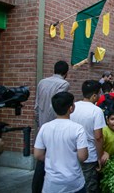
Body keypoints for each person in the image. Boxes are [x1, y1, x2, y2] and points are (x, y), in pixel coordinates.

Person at [34, 92, 88, 193]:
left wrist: (53, 158)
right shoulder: (78, 129)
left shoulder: (45, 127)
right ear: (71, 108)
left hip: (51, 183)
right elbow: (83, 156)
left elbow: (38, 155)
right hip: (74, 182)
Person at [32, 60, 70, 193]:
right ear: (66, 73)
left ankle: (36, 189)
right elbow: (55, 106)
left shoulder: (42, 82)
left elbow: (36, 105)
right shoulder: (64, 84)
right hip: (53, 126)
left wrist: (39, 123)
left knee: (42, 160)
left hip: (42, 125)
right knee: (50, 160)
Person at [70, 80, 106, 193]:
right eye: (99, 93)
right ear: (94, 96)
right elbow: (98, 137)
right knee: (90, 185)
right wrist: (100, 157)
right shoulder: (97, 111)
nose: (100, 96)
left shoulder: (73, 107)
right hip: (90, 155)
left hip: (73, 152)